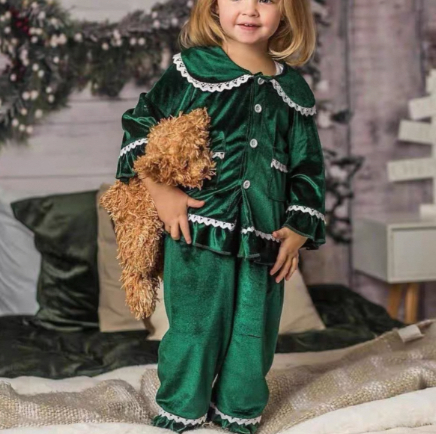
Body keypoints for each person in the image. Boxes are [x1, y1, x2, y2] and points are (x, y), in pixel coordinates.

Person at [115, 0, 326, 432]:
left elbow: (307, 166)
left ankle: (238, 414)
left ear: (287, 10)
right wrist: (161, 191)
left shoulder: (294, 89)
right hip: (197, 230)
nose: (250, 9)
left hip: (266, 239)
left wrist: (299, 227)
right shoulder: (192, 69)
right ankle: (181, 411)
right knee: (194, 328)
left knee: (254, 332)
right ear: (212, 5)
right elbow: (140, 125)